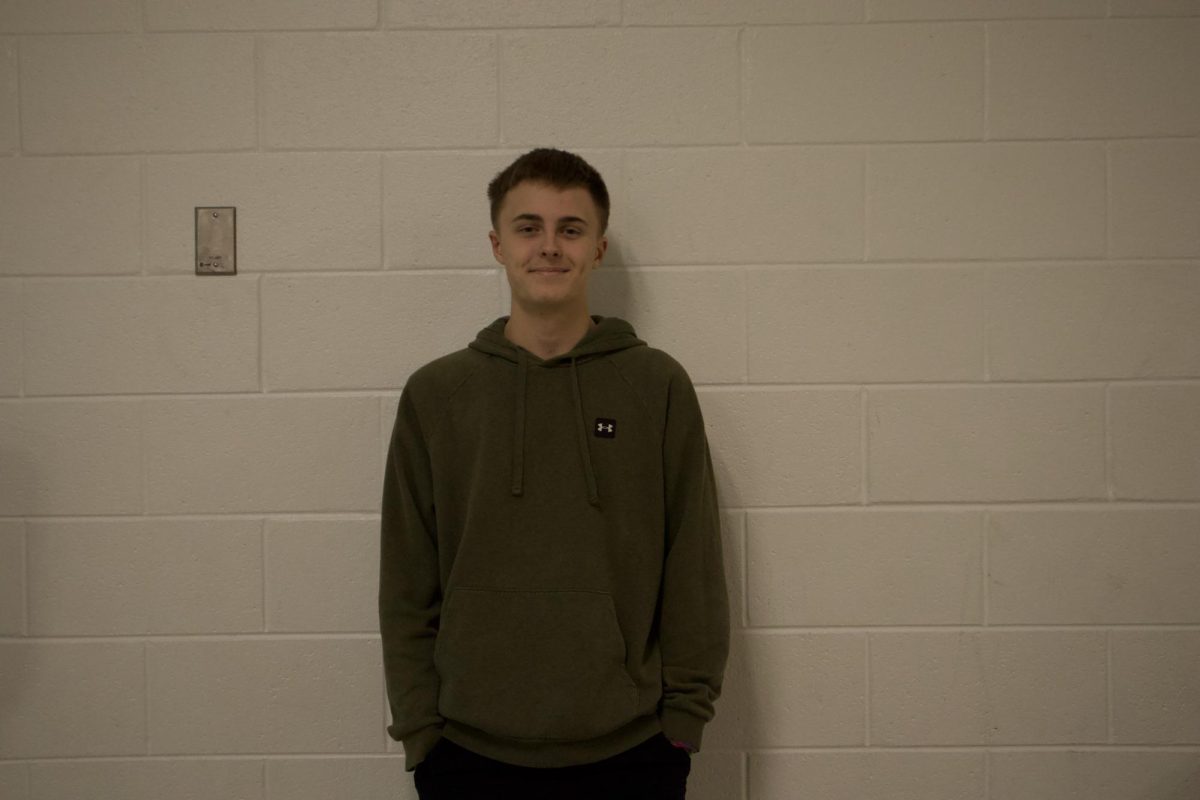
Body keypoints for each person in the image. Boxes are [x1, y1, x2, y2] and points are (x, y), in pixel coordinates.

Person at [380, 147, 730, 799]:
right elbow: (406, 578)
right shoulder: (437, 395)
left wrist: (683, 722)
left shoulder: (655, 386)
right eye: (528, 227)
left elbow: (694, 566)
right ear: (497, 243)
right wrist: (420, 730)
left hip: (632, 750)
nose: (549, 246)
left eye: (570, 228)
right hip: (465, 750)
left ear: (598, 248)